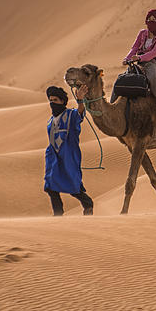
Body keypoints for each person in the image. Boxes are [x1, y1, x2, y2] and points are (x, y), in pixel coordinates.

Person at [44, 85, 94, 216]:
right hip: (53, 159)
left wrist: (80, 100)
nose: (52, 103)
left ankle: (88, 205)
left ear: (62, 102)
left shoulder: (70, 115)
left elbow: (80, 113)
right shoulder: (51, 120)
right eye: (50, 100)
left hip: (68, 157)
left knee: (73, 187)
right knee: (50, 187)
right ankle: (58, 216)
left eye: (55, 100)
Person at [124, 9, 156, 114]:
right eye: (149, 19)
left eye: (154, 20)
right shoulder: (142, 33)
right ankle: (114, 102)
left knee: (152, 75)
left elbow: (154, 53)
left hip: (151, 61)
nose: (151, 21)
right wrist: (127, 59)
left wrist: (140, 58)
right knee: (124, 77)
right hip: (138, 61)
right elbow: (134, 48)